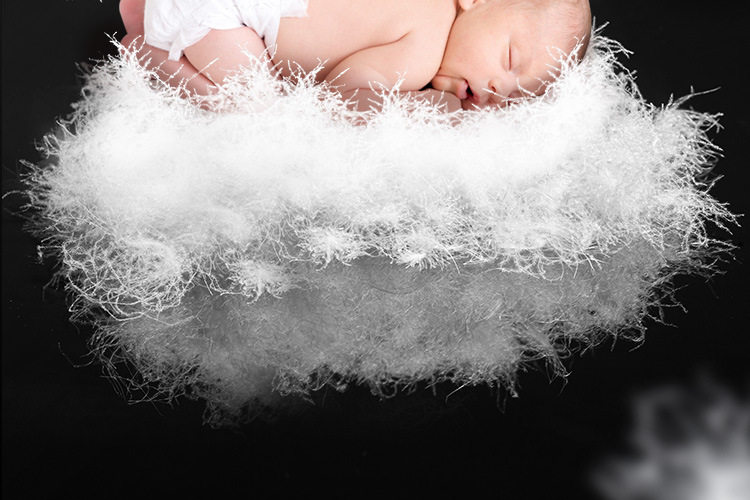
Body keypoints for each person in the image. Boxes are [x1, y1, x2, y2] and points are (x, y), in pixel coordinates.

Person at [120, 0, 591, 111]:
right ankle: (148, 50)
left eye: (516, 96)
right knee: (252, 103)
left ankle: (150, 10)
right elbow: (341, 97)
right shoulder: (424, 49)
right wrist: (417, 105)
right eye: (509, 59)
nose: (498, 89)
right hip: (221, 14)